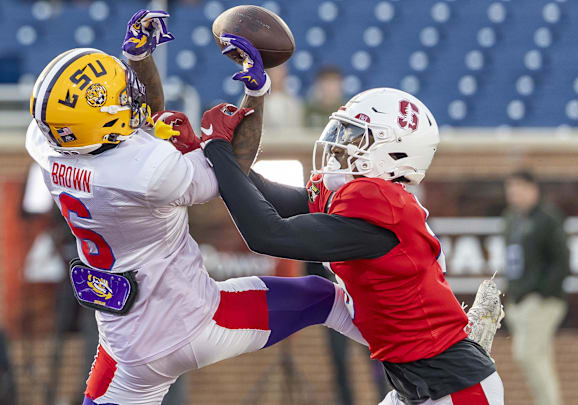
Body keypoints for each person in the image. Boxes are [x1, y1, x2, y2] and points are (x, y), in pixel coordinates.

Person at [25, 10, 365, 405]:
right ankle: (432, 362)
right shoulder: (146, 171)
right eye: (120, 97)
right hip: (197, 322)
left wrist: (138, 60)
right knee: (324, 298)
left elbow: (141, 118)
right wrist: (255, 93)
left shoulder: (47, 146)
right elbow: (232, 172)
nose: (129, 96)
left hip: (126, 347)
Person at [193, 88, 506, 404]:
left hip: (455, 389)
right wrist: (212, 155)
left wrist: (218, 148)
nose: (339, 144)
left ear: (394, 153)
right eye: (342, 130)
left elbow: (267, 234)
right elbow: (273, 200)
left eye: (356, 136)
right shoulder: (370, 199)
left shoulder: (379, 210)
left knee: (318, 292)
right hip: (415, 386)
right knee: (316, 292)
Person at [503, 170, 569, 405]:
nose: (514, 195)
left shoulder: (547, 218)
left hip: (541, 301)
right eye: (510, 190)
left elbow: (561, 261)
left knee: (527, 353)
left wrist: (541, 292)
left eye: (519, 189)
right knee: (540, 357)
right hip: (519, 300)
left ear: (533, 189)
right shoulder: (512, 219)